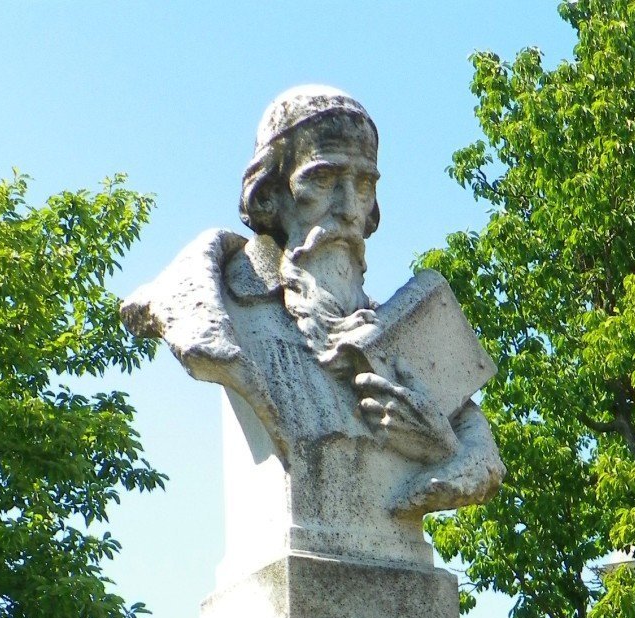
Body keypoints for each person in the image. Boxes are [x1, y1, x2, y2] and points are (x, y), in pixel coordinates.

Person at [122, 86, 502, 538]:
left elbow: (481, 459)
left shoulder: (404, 334)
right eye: (323, 180)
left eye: (363, 186)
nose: (347, 209)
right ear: (268, 196)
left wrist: (438, 443)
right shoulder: (222, 307)